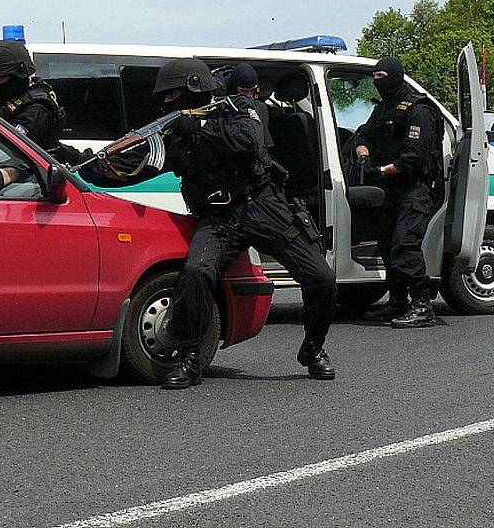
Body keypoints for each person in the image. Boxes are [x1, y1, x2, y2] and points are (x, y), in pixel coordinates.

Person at [80, 58, 337, 389]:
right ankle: (191, 357)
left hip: (262, 205)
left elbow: (248, 141)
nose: (165, 102)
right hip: (219, 217)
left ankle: (313, 347)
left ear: (192, 88)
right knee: (197, 273)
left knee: (322, 278)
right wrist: (76, 163)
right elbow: (133, 166)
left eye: (171, 95)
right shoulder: (175, 131)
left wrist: (201, 128)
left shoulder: (240, 107)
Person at [353, 56, 444, 329]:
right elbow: (363, 135)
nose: (377, 81)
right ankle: (398, 300)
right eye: (375, 77)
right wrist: (363, 155)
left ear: (394, 76)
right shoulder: (384, 109)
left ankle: (422, 306)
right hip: (391, 191)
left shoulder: (419, 109)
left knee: (405, 245)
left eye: (382, 76)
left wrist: (380, 171)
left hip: (415, 190)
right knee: (387, 244)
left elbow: (412, 160)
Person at [226, 63, 275, 151]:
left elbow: (265, 144)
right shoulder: (224, 109)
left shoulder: (261, 108)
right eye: (244, 91)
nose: (249, 96)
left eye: (252, 90)